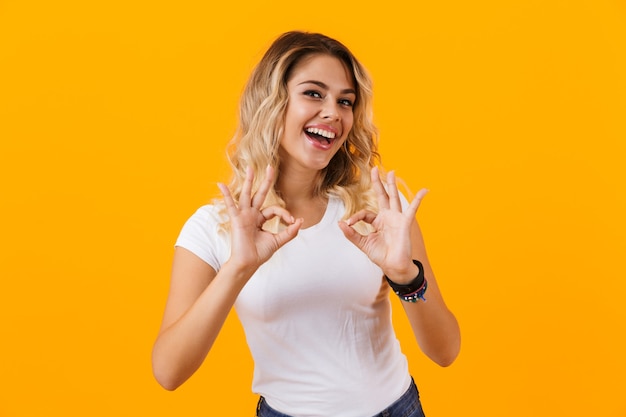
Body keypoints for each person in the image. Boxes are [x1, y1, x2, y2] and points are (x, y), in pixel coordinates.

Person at [152, 31, 461, 417]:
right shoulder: (212, 227)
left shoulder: (379, 209)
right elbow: (168, 371)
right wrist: (239, 268)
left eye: (345, 101)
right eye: (314, 93)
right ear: (271, 103)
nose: (333, 112)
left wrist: (405, 276)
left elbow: (445, 351)